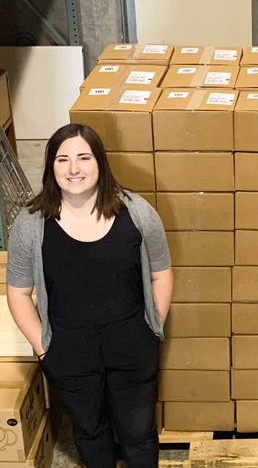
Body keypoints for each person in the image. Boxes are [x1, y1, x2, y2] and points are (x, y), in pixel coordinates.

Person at [7, 123, 173, 468]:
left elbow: (161, 273)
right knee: (90, 432)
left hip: (132, 343)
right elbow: (18, 292)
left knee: (139, 433)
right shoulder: (31, 223)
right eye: (62, 159)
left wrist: (152, 327)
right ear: (51, 166)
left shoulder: (138, 212)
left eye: (84, 157)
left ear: (100, 161)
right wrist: (44, 348)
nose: (74, 169)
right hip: (68, 350)